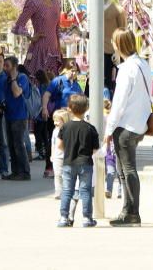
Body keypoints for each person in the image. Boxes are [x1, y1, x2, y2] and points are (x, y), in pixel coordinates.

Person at [104, 28, 153, 227]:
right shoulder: (143, 65)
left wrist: (109, 129)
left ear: (119, 45)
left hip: (125, 125)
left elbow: (119, 102)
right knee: (124, 169)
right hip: (139, 124)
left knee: (127, 169)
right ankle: (128, 209)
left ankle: (132, 211)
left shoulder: (126, 69)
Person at [57, 95, 100, 228]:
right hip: (85, 163)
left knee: (67, 190)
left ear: (69, 109)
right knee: (85, 191)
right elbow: (95, 148)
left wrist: (68, 150)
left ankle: (64, 217)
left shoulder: (65, 127)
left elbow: (59, 145)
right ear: (86, 108)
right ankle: (87, 218)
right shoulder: (90, 128)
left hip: (69, 162)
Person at [13, 0, 63, 78]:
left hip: (54, 50)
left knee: (53, 84)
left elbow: (57, 29)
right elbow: (19, 25)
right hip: (39, 49)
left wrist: (59, 49)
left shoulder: (57, 4)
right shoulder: (33, 3)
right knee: (37, 81)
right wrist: (30, 37)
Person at [40, 63, 83, 178]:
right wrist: (44, 108)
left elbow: (81, 99)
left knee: (71, 142)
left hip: (71, 118)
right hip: (58, 117)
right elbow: (46, 95)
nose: (73, 73)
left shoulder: (76, 85)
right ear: (66, 69)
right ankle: (49, 167)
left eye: (76, 71)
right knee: (54, 140)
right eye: (72, 70)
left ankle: (67, 167)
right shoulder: (57, 81)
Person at [1, 56, 32, 181]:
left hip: (19, 116)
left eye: (7, 65)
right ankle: (15, 171)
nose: (5, 68)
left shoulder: (22, 78)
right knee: (11, 145)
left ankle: (25, 172)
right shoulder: (6, 79)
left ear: (14, 67)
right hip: (8, 115)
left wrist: (14, 79)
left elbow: (17, 93)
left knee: (19, 144)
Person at [102, 0, 127, 94]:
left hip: (112, 53)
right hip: (98, 53)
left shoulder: (118, 10)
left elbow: (123, 32)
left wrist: (118, 51)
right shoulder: (95, 9)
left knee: (113, 85)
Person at [50, 108, 71, 199]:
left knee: (66, 175)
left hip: (67, 157)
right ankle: (58, 191)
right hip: (57, 157)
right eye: (54, 121)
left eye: (58, 121)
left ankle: (67, 191)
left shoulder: (68, 131)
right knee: (57, 174)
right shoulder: (55, 131)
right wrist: (52, 154)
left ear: (64, 121)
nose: (55, 123)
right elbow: (53, 144)